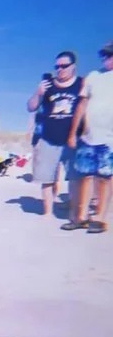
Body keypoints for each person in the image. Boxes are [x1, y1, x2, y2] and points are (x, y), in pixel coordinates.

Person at [64, 41, 113, 234]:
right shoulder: (93, 76)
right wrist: (73, 134)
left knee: (104, 178)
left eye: (109, 56)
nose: (106, 59)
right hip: (88, 136)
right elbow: (81, 105)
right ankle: (80, 217)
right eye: (104, 55)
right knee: (82, 177)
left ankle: (99, 219)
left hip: (109, 139)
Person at [26, 52, 83, 217]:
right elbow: (31, 107)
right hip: (48, 138)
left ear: (73, 67)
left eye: (64, 66)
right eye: (57, 66)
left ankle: (73, 211)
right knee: (47, 178)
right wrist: (38, 93)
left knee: (74, 177)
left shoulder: (81, 84)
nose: (60, 69)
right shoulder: (48, 85)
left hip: (73, 138)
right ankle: (48, 212)